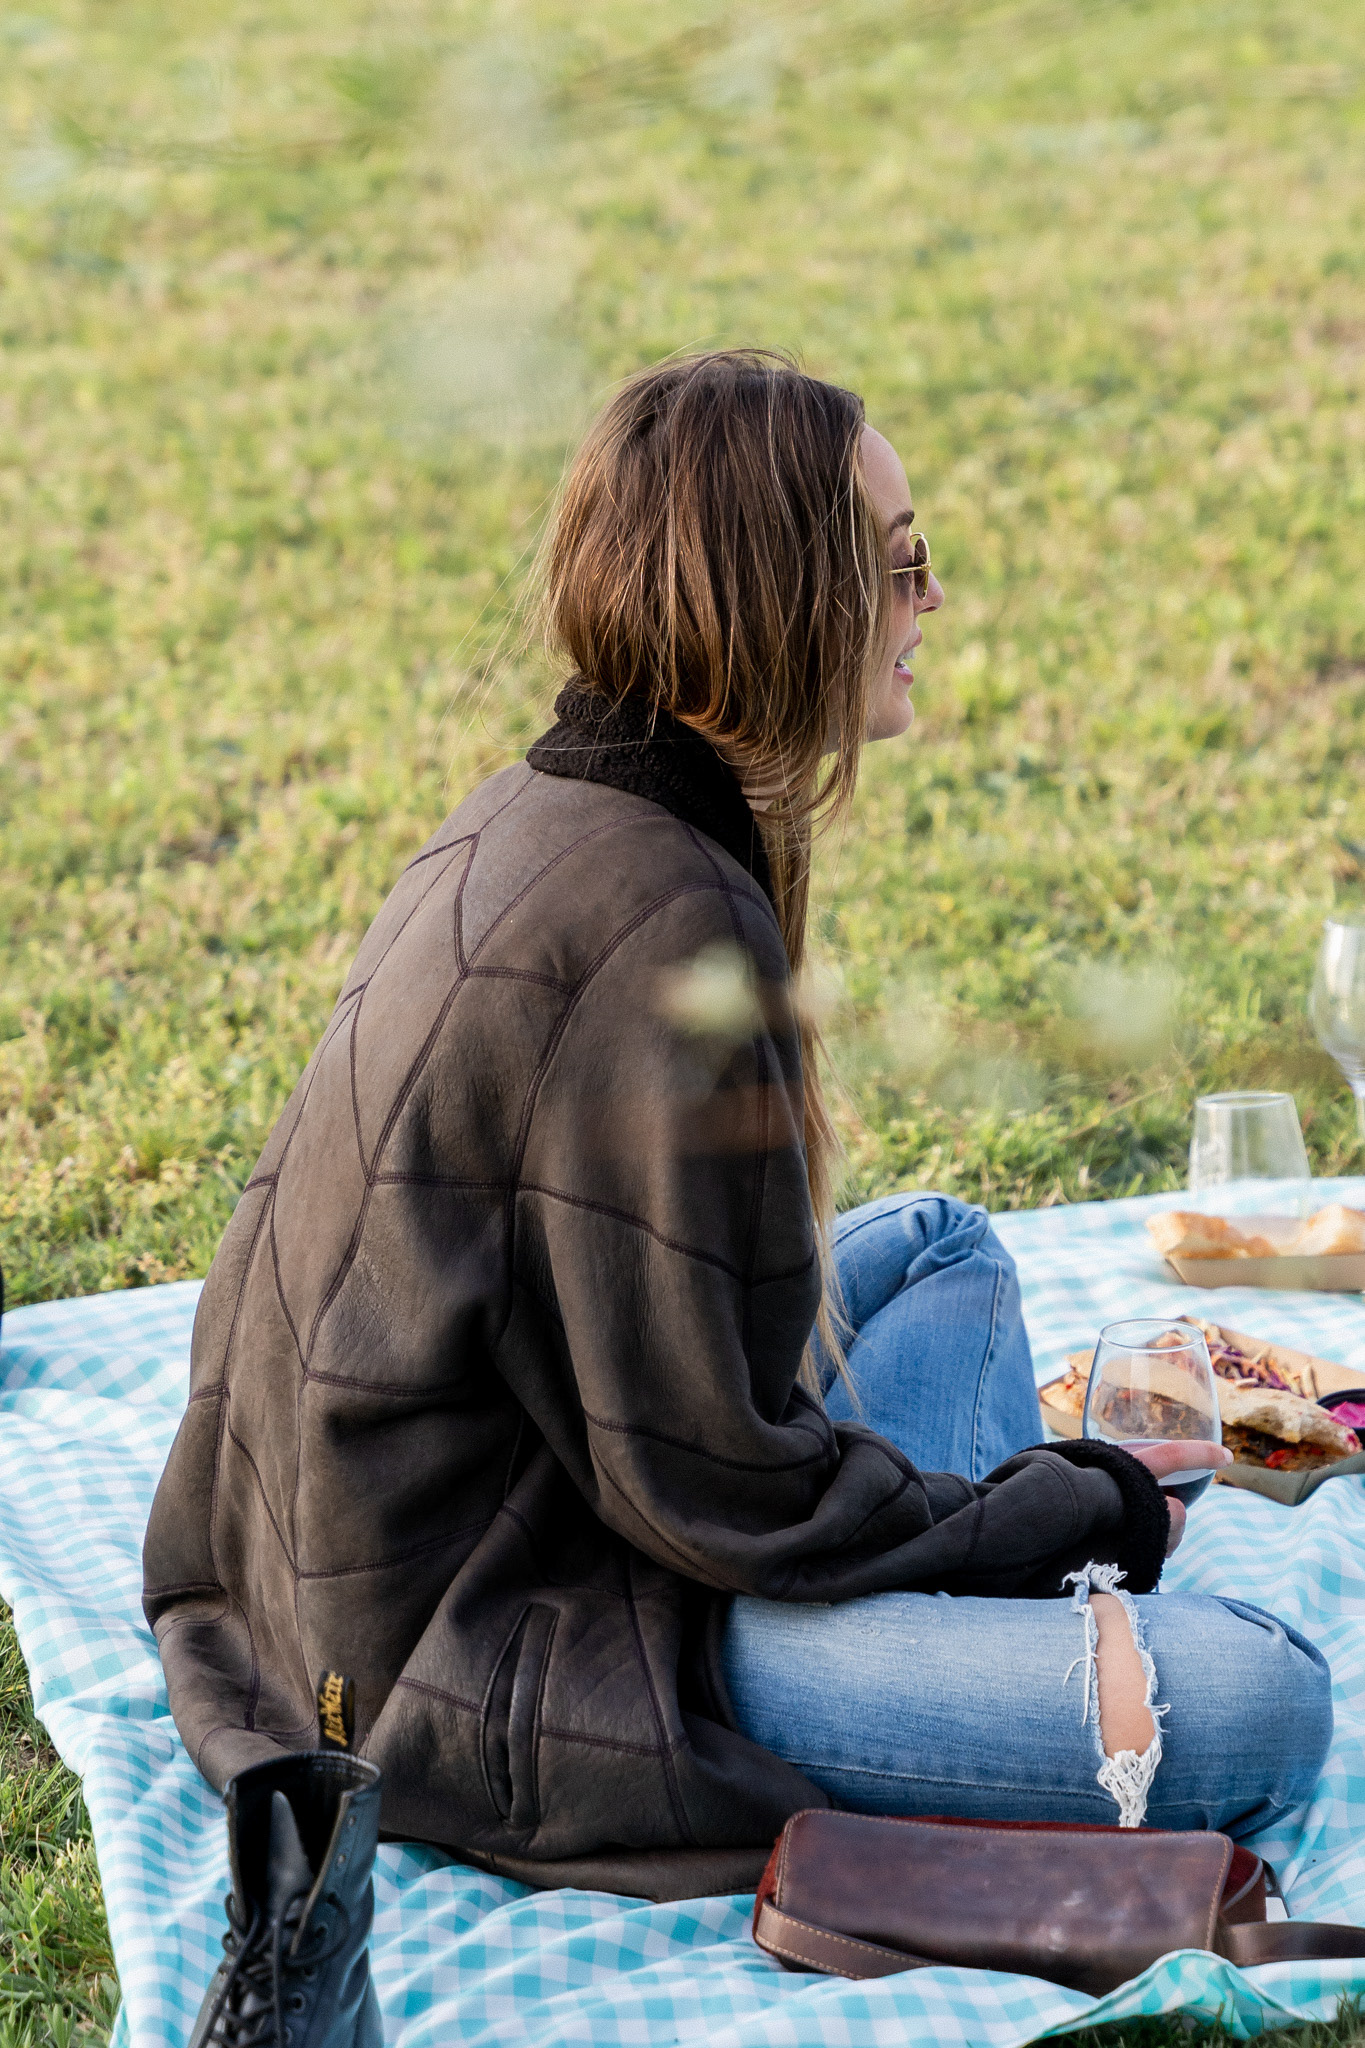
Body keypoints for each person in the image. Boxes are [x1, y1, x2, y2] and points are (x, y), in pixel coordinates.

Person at [144, 353, 1331, 1945]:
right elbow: (715, 1493)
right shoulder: (665, 930)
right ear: (784, 598)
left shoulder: (542, 806)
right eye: (898, 563)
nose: (932, 598)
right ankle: (967, 1651)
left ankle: (954, 1629)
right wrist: (1070, 1509)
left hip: (472, 1528)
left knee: (944, 1249)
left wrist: (998, 1513)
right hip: (521, 1640)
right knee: (1264, 1698)